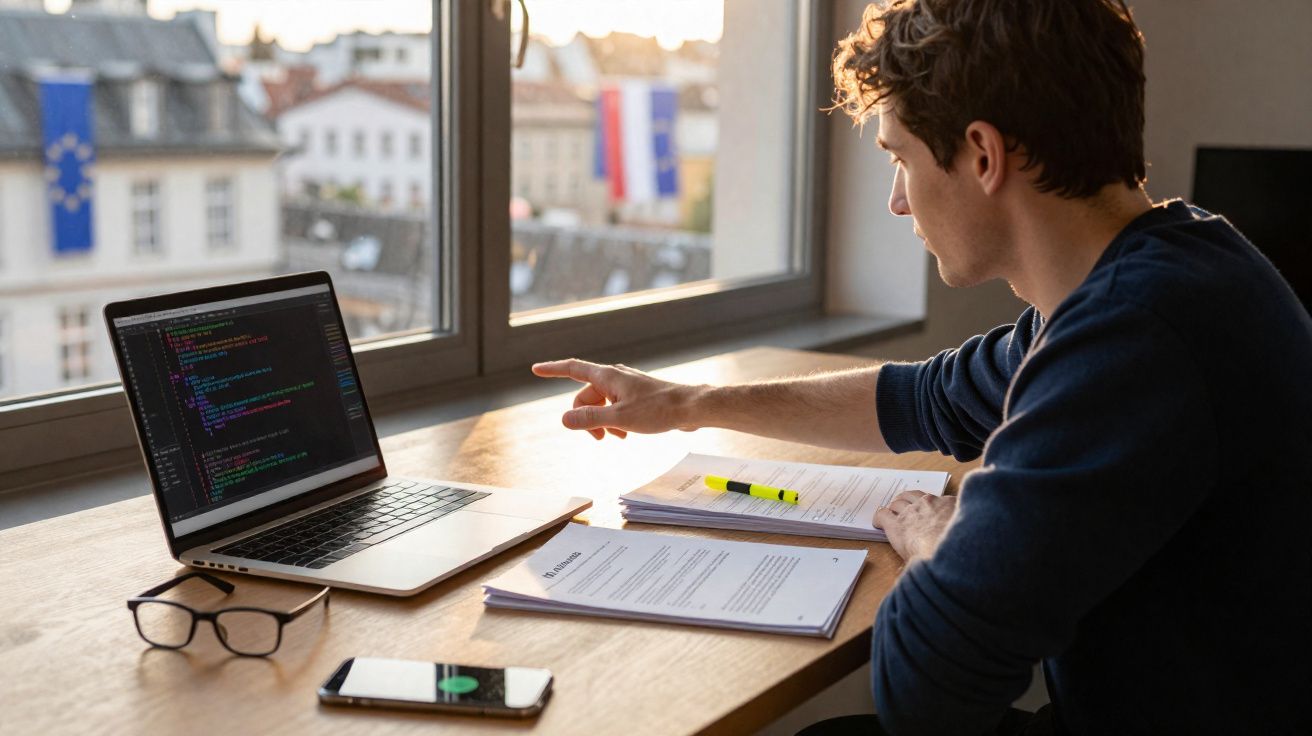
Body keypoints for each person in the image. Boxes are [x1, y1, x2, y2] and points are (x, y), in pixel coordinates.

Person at [533, 0, 1311, 733]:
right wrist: (688, 402)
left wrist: (940, 538)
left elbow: (926, 693)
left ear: (982, 155)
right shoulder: (1170, 269)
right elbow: (927, 399)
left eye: (899, 157)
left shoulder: (1137, 338)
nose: (899, 202)